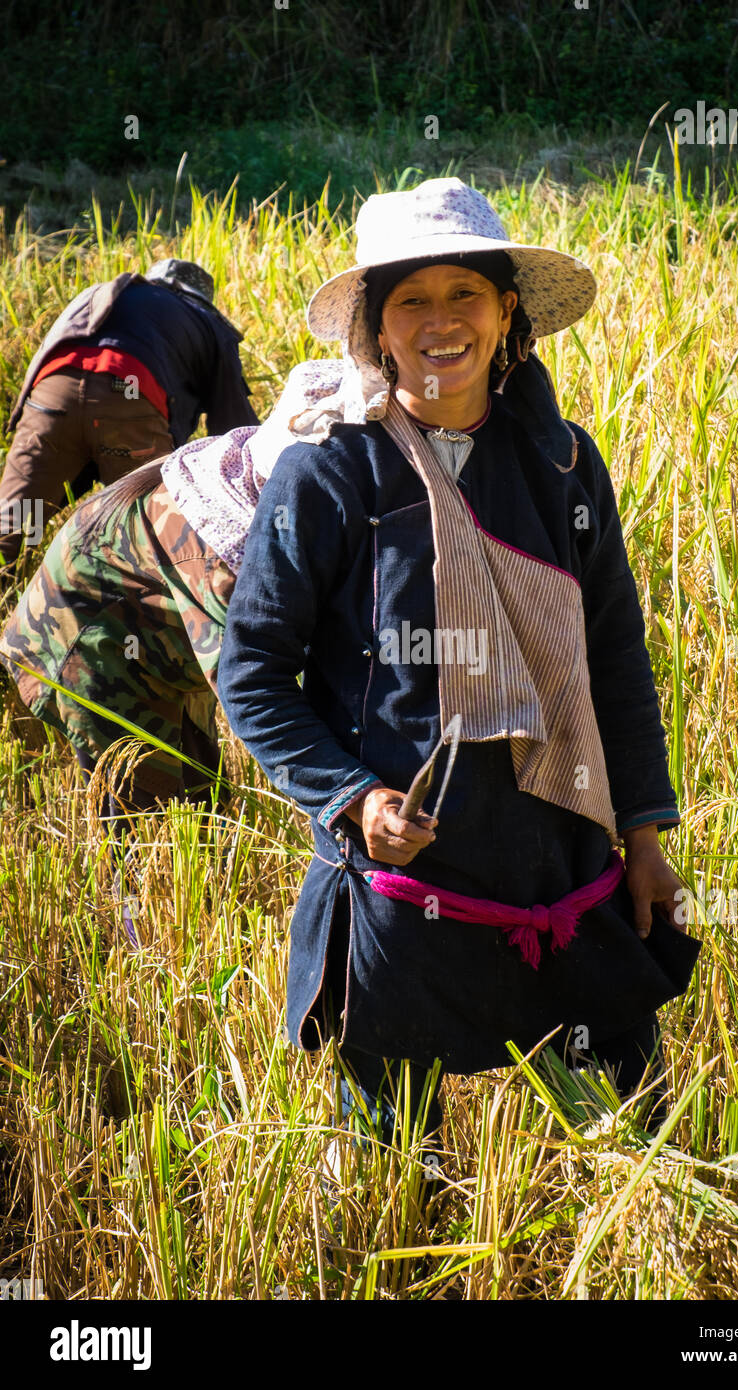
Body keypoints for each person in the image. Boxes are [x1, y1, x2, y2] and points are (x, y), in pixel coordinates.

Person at [217, 177, 702, 1154]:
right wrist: (354, 799)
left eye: (463, 295)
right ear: (375, 330)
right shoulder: (333, 472)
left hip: (560, 865)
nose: (440, 323)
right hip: (406, 877)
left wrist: (644, 830)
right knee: (402, 1170)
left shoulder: (561, 465)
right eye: (411, 301)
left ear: (507, 311)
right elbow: (253, 670)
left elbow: (613, 654)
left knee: (630, 1148)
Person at [0, 390, 296, 902]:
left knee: (205, 792)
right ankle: (139, 931)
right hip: (84, 642)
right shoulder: (214, 553)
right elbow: (253, 686)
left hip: (163, 636)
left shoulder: (259, 502)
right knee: (142, 828)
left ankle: (208, 898)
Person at [0, 258, 259, 572]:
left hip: (53, 395)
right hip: (129, 396)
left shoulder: (105, 294)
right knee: (153, 538)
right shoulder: (206, 320)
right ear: (200, 295)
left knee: (17, 520)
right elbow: (236, 430)